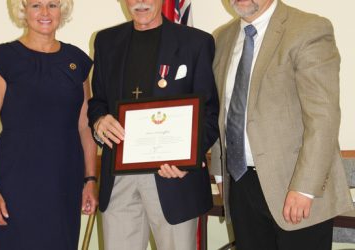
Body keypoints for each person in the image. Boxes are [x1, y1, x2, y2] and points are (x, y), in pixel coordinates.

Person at [210, 0, 354, 249]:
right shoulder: (222, 38)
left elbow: (323, 116)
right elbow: (220, 108)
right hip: (240, 183)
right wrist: (220, 173)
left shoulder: (308, 28)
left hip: (294, 184)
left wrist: (305, 188)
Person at [87, 0, 219, 249]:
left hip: (173, 177)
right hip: (118, 178)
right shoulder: (106, 41)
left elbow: (210, 112)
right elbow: (98, 102)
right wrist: (99, 121)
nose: (141, 2)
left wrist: (187, 157)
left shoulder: (196, 43)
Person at [0, 0, 98, 249]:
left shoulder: (77, 61)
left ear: (61, 10)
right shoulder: (1, 60)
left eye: (52, 5)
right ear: (23, 10)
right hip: (15, 183)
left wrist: (90, 179)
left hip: (64, 181)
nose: (44, 13)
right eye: (35, 5)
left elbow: (84, 127)